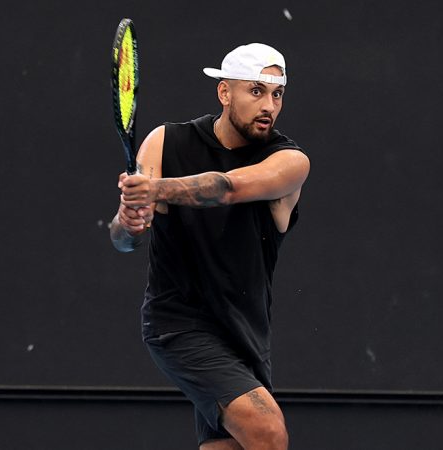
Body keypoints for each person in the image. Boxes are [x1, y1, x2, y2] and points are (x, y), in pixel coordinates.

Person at [109, 43, 309, 450]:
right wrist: (128, 222)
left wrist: (154, 190)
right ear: (224, 93)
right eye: (255, 91)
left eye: (277, 94)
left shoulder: (290, 162)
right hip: (178, 323)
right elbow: (125, 238)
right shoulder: (164, 142)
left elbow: (228, 188)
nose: (268, 104)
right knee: (267, 431)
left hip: (245, 334)